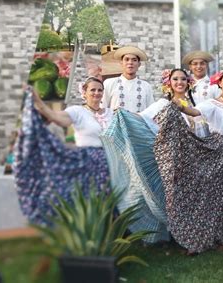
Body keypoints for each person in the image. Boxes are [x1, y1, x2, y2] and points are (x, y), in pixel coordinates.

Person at [153, 68, 223, 254]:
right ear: (220, 84)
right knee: (216, 193)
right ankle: (209, 234)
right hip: (219, 150)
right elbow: (195, 111)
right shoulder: (212, 104)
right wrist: (180, 106)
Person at [13, 77, 112, 225]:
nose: (96, 93)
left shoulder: (110, 113)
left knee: (110, 196)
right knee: (91, 196)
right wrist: (38, 102)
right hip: (88, 161)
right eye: (92, 90)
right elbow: (58, 118)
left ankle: (111, 230)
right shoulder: (77, 111)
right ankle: (91, 233)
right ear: (84, 93)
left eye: (99, 90)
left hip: (112, 161)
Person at [139, 68, 209, 137]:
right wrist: (128, 116)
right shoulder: (163, 103)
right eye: (175, 79)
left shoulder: (196, 102)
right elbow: (143, 117)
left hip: (197, 146)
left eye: (183, 79)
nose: (180, 82)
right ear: (169, 82)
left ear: (188, 82)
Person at [101, 46, 154, 113]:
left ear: (139, 64)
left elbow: (151, 112)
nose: (130, 62)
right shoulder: (109, 83)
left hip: (139, 123)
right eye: (127, 59)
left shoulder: (146, 86)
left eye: (134, 60)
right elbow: (102, 109)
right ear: (121, 63)